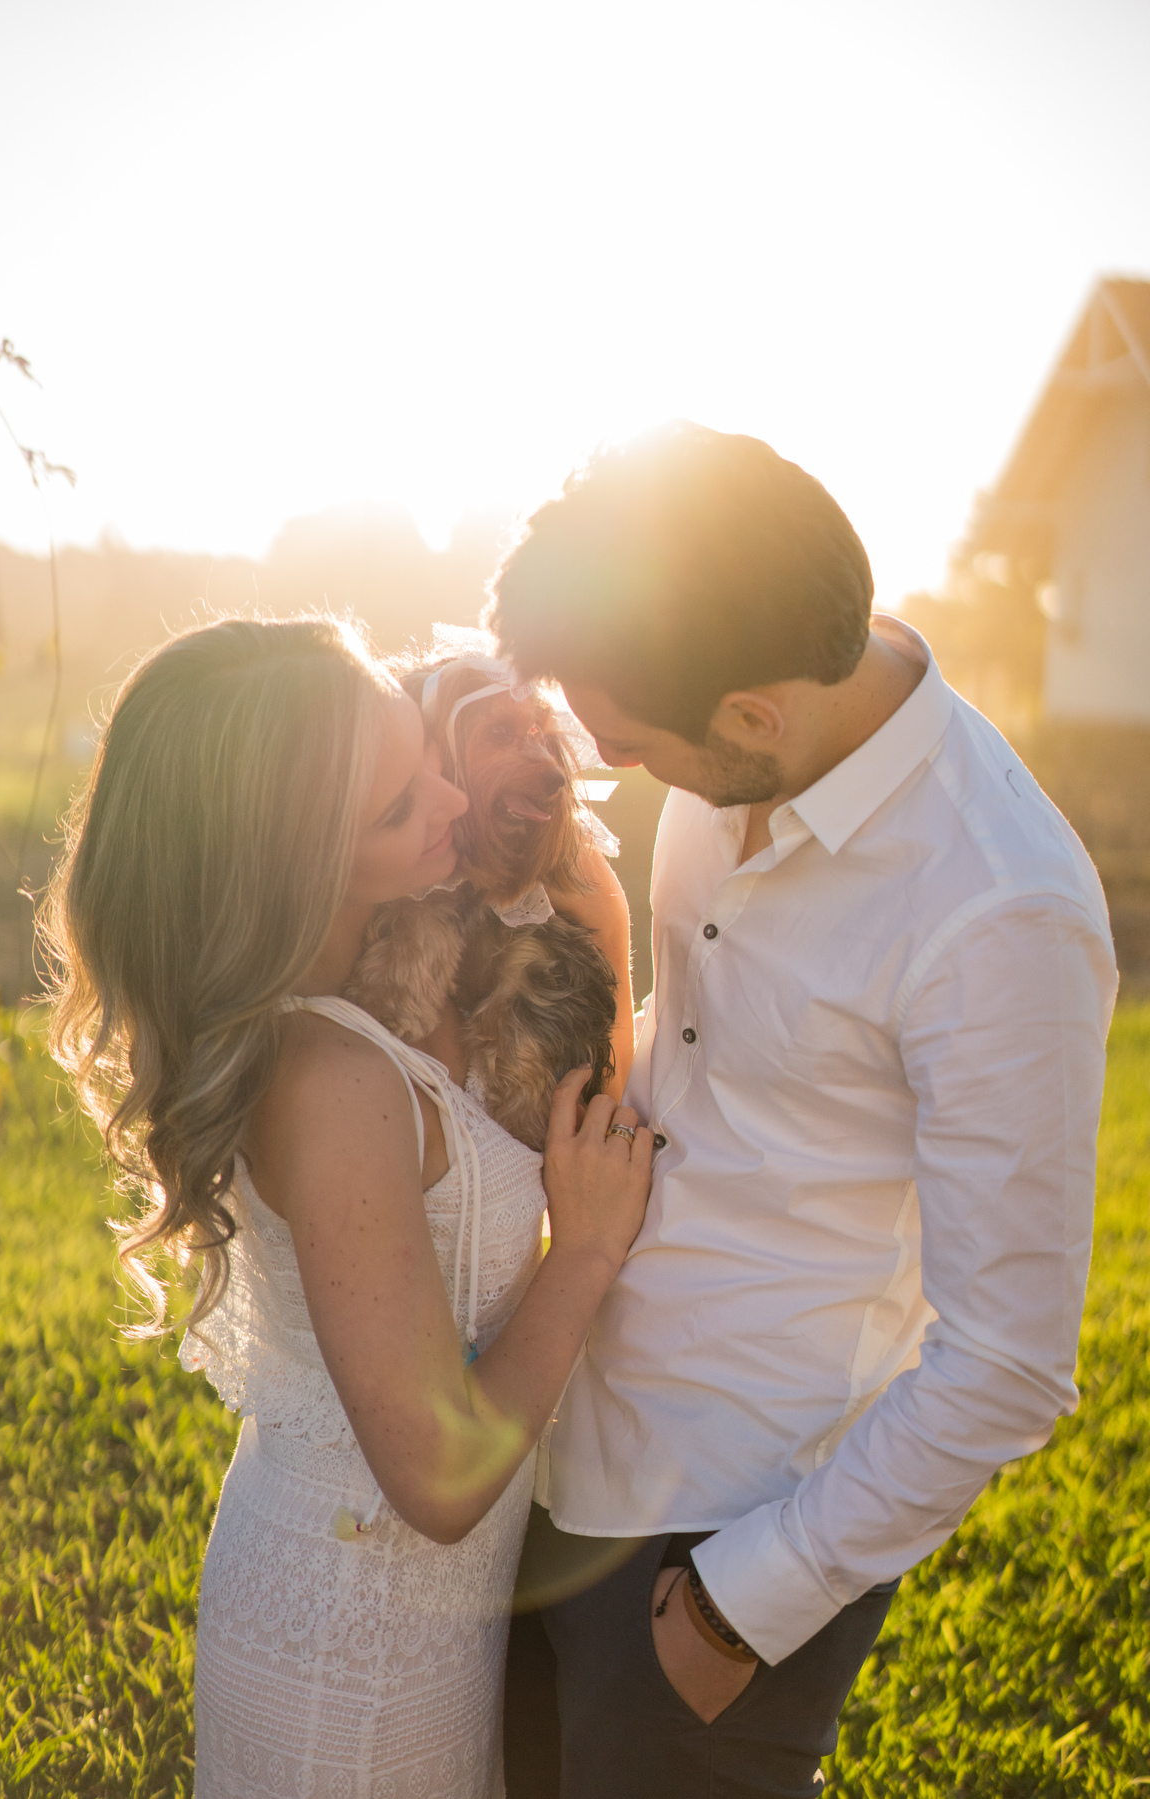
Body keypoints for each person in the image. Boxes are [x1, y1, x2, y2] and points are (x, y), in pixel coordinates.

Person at [491, 422, 1118, 1798]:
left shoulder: (1000, 912)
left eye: (636, 749)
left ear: (754, 719)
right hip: (556, 1441)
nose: (627, 771)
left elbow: (1008, 1362)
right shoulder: (739, 732)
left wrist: (740, 1605)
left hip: (729, 1526)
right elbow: (717, 1045)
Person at [43, 615, 651, 1799]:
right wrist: (579, 1259)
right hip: (352, 1643)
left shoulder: (407, 961)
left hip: (429, 1619)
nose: (447, 800)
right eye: (397, 806)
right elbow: (436, 1479)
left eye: (420, 749)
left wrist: (611, 926)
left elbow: (580, 1099)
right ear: (297, 863)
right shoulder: (331, 1080)